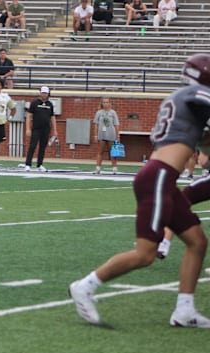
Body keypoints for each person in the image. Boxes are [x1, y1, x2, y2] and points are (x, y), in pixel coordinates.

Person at [69, 53, 210, 328]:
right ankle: (85, 286)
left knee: (197, 241)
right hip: (158, 177)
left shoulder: (180, 100)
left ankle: (185, 310)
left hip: (163, 179)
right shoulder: (195, 95)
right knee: (145, 254)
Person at [23, 86, 57, 172]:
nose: (44, 94)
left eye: (45, 93)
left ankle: (39, 164)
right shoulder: (35, 103)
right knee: (32, 146)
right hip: (36, 128)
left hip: (46, 129)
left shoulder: (50, 104)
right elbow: (29, 115)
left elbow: (52, 117)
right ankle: (28, 164)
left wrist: (55, 130)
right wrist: (28, 128)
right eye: (43, 93)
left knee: (43, 147)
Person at [92, 97, 121, 175]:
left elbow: (116, 124)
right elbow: (96, 124)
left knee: (112, 152)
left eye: (107, 102)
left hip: (111, 134)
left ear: (109, 103)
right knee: (100, 152)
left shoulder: (113, 113)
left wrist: (118, 135)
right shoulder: (99, 113)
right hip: (102, 134)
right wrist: (95, 135)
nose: (105, 104)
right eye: (104, 102)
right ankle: (97, 168)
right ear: (102, 103)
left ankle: (114, 168)